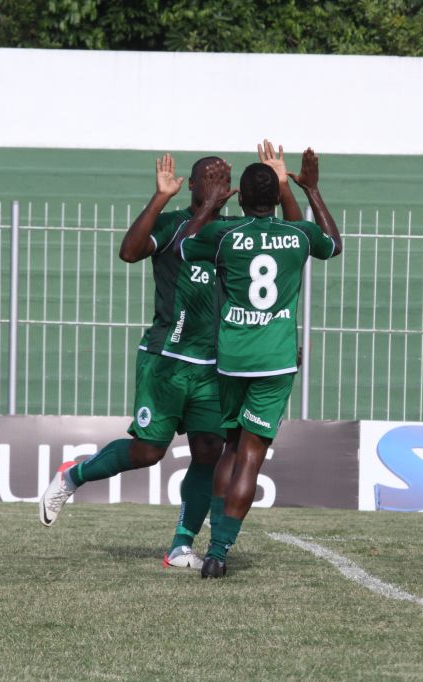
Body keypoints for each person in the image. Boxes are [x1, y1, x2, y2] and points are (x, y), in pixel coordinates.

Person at [39, 142, 303, 571]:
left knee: (208, 451)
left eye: (225, 177)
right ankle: (74, 475)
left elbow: (295, 241)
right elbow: (129, 252)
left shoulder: (234, 234)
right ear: (194, 185)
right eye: (212, 176)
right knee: (148, 452)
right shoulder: (177, 225)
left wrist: (282, 184)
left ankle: (182, 544)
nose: (221, 182)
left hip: (217, 367)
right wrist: (160, 196)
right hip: (166, 360)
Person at [179, 150, 341, 578]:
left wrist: (212, 205)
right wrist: (309, 187)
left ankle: (211, 541)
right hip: (275, 359)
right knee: (251, 454)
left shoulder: (226, 236)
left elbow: (186, 247)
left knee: (231, 448)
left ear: (241, 197)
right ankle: (219, 550)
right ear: (275, 195)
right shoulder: (298, 235)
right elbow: (333, 244)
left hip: (233, 358)